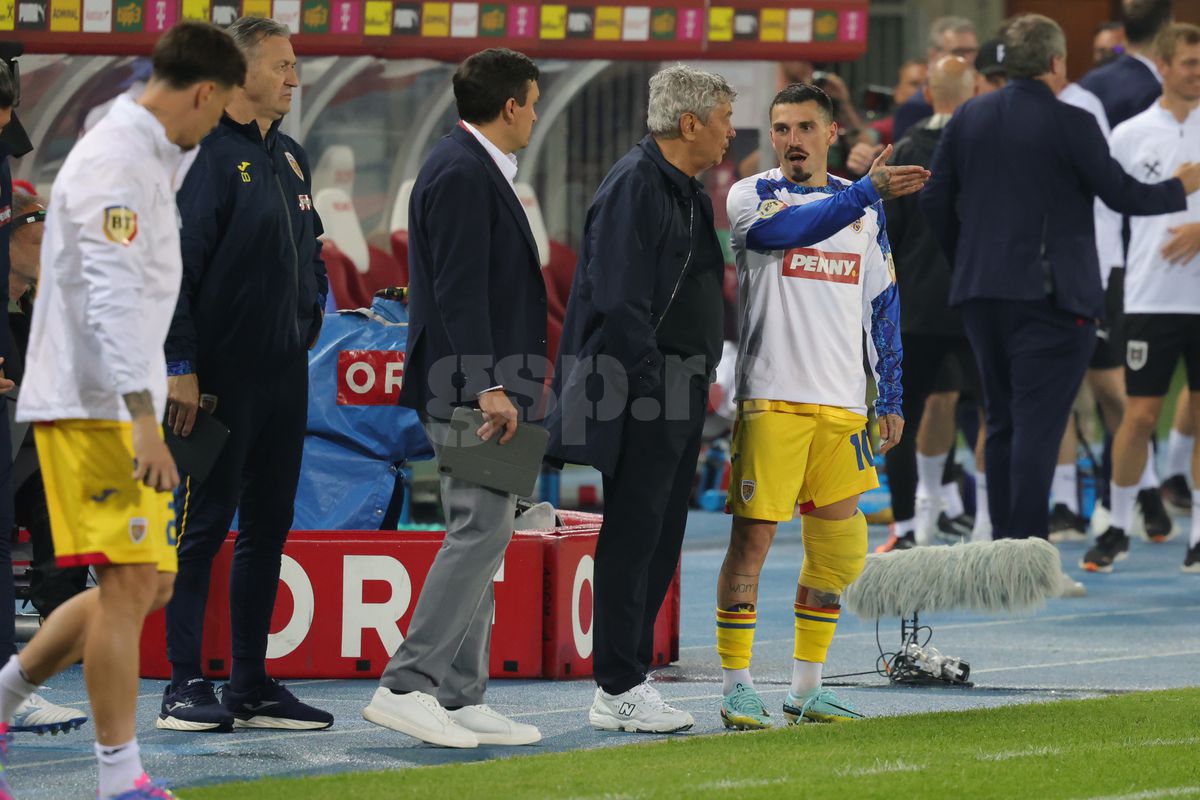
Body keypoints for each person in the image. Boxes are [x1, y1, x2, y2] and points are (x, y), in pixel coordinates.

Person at [1, 21, 243, 799]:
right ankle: (120, 781)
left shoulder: (154, 151)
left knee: (146, 587)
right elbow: (107, 298)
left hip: (114, 398)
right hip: (95, 404)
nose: (217, 127)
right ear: (203, 93)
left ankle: (2, 699)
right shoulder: (116, 159)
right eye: (219, 109)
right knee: (134, 583)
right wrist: (142, 415)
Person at [921, 13, 1200, 541]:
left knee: (999, 421)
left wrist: (970, 260)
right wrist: (1178, 188)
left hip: (981, 295)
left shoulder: (969, 117)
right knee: (1038, 427)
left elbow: (935, 198)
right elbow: (1122, 194)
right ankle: (1025, 552)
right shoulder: (1071, 121)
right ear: (1055, 62)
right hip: (1050, 299)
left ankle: (1002, 545)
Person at [713, 81, 915, 730]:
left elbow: (884, 302)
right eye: (781, 128)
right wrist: (863, 193)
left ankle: (806, 687)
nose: (792, 140)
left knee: (837, 554)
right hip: (772, 397)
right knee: (753, 541)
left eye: (805, 127)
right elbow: (788, 233)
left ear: (832, 134)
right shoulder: (753, 196)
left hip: (841, 403)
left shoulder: (865, 212)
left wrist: (890, 394)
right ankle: (737, 684)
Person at [361, 48, 545, 749]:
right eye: (531, 101)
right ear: (509, 106)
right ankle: (408, 684)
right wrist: (488, 385)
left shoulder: (467, 166)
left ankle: (463, 697)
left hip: (473, 383)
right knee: (480, 528)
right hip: (468, 387)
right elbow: (460, 290)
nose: (533, 114)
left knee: (487, 528)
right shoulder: (464, 172)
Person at [159, 16, 332, 734]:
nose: (295, 77)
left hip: (285, 374)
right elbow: (175, 271)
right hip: (218, 380)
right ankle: (182, 684)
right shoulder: (201, 157)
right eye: (283, 65)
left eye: (296, 65)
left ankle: (250, 683)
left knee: (270, 526)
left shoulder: (290, 157)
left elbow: (310, 250)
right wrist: (181, 366)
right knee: (202, 528)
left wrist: (310, 314)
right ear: (242, 71)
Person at [1082, 23, 1200, 574]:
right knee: (1139, 415)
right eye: (1188, 63)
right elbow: (1105, 211)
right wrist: (1108, 281)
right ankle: (1117, 525)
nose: (1196, 72)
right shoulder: (1131, 134)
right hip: (1150, 295)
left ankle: (1199, 533)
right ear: (1164, 65)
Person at [877, 56, 981, 552]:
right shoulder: (989, 146)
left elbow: (887, 234)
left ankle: (907, 528)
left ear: (929, 92)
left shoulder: (908, 149)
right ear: (975, 88)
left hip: (915, 307)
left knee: (902, 415)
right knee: (993, 414)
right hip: (977, 302)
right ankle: (987, 528)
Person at [2, 190, 91, 736]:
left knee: (65, 530)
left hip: (38, 445)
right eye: (38, 235)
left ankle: (41, 672)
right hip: (10, 446)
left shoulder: (46, 302)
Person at [892, 16, 978, 142]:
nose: (967, 59)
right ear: (933, 55)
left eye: (971, 51)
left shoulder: (984, 99)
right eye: (958, 52)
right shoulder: (915, 108)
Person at [870, 60, 927, 147]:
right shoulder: (885, 128)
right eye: (914, 84)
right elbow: (864, 140)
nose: (923, 90)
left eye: (927, 84)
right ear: (897, 91)